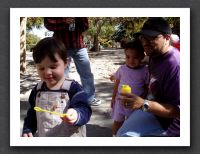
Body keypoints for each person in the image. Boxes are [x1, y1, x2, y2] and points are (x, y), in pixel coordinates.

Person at [117, 17, 180, 137]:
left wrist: (143, 104)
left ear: (167, 38)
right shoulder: (154, 54)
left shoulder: (176, 65)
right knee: (121, 133)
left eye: (151, 37)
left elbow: (179, 112)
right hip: (153, 108)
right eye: (142, 37)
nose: (145, 42)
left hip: (170, 124)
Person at [22, 37, 92, 137]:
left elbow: (85, 109)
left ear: (65, 63)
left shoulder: (73, 88)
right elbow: (32, 113)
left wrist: (77, 114)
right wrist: (28, 129)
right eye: (41, 68)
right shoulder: (37, 90)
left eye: (53, 67)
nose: (47, 72)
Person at [44, 17, 101, 106]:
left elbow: (85, 26)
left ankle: (90, 98)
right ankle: (63, 99)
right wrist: (64, 21)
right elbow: (48, 23)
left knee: (87, 74)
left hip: (79, 46)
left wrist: (78, 20)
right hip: (62, 46)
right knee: (62, 75)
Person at [111, 39, 149, 136]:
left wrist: (142, 99)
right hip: (120, 102)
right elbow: (116, 83)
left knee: (131, 123)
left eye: (135, 57)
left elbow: (147, 87)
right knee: (117, 122)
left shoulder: (145, 71)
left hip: (135, 104)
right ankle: (115, 136)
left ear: (142, 56)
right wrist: (113, 98)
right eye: (128, 57)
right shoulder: (122, 69)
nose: (131, 60)